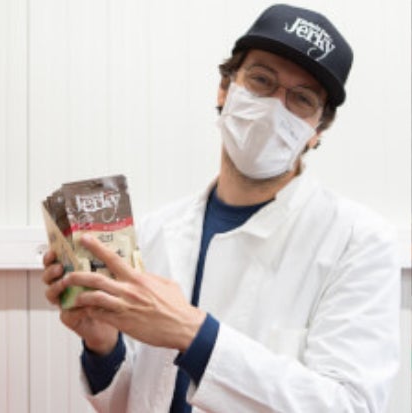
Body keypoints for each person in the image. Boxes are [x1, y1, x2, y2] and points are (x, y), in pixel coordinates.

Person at [41, 4, 401, 412]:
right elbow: (139, 401)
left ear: (317, 131)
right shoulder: (159, 230)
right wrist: (103, 344)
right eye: (261, 80)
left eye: (301, 99)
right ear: (225, 89)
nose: (274, 109)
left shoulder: (359, 243)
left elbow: (350, 405)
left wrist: (192, 334)